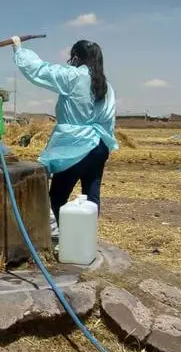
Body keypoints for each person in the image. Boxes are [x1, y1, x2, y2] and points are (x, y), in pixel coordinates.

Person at [11, 37, 118, 221]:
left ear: (76, 57)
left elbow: (40, 70)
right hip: (99, 146)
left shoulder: (73, 76)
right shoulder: (107, 87)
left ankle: (65, 239)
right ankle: (87, 239)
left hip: (74, 146)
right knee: (92, 198)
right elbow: (109, 120)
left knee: (57, 198)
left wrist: (19, 50)